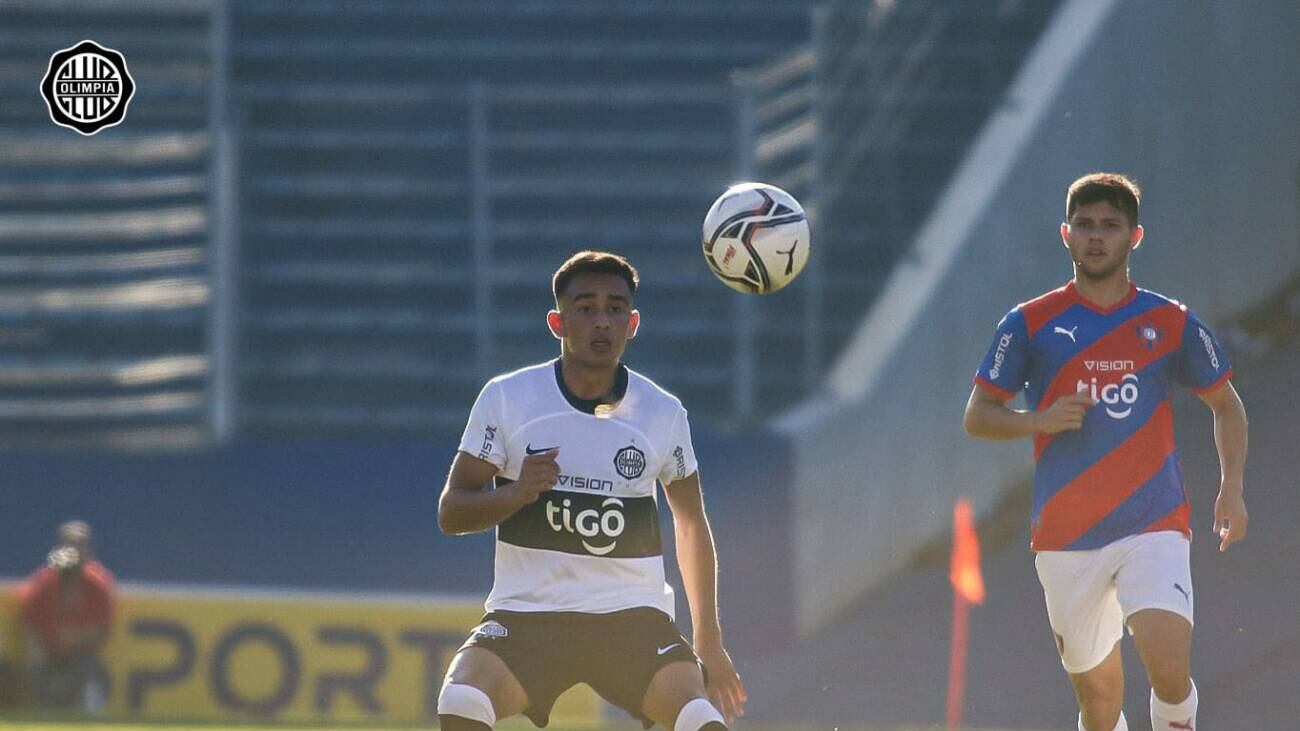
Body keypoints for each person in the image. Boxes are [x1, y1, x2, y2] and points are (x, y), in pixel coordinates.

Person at [963, 173, 1249, 731]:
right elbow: (978, 415)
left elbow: (1227, 406)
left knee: (1168, 668)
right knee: (1099, 706)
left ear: (1134, 237)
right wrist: (1039, 420)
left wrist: (1231, 489)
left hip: (1153, 523)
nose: (1097, 237)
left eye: (1111, 226)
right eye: (1086, 225)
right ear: (1066, 234)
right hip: (1065, 536)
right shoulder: (1027, 323)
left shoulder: (1169, 321)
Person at [436, 251, 745, 731]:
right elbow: (452, 512)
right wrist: (516, 494)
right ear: (557, 322)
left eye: (615, 309)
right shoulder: (507, 398)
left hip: (632, 618)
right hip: (528, 613)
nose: (602, 321)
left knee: (699, 718)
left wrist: (709, 638)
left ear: (633, 324)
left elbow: (690, 524)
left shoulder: (663, 413)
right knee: (461, 700)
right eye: (585, 308)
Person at [18, 520, 115, 713]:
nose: (74, 551)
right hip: (47, 655)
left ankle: (90, 717)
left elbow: (100, 631)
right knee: (35, 670)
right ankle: (43, 714)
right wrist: (36, 654)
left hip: (81, 657)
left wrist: (70, 638)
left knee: (91, 671)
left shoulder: (98, 586)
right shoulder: (43, 584)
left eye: (80, 546)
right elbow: (30, 626)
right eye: (69, 545)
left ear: (89, 551)